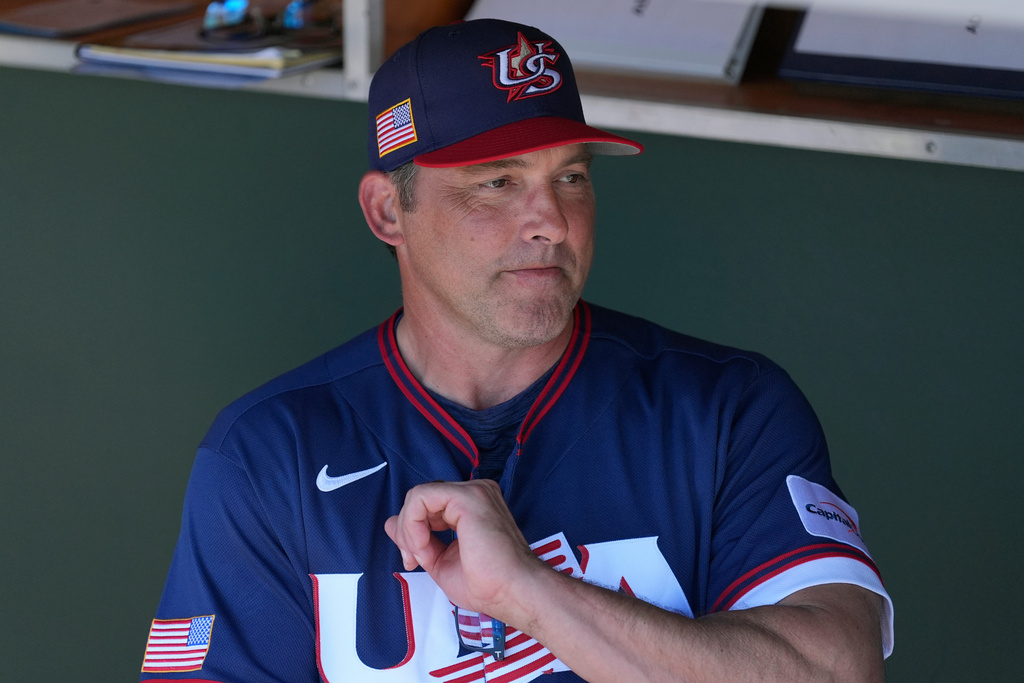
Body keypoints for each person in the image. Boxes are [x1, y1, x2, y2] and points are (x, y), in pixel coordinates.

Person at [141, 18, 893, 683]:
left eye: (570, 176)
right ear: (387, 211)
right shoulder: (269, 452)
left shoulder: (728, 409)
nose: (553, 222)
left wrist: (532, 592)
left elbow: (834, 669)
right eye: (497, 182)